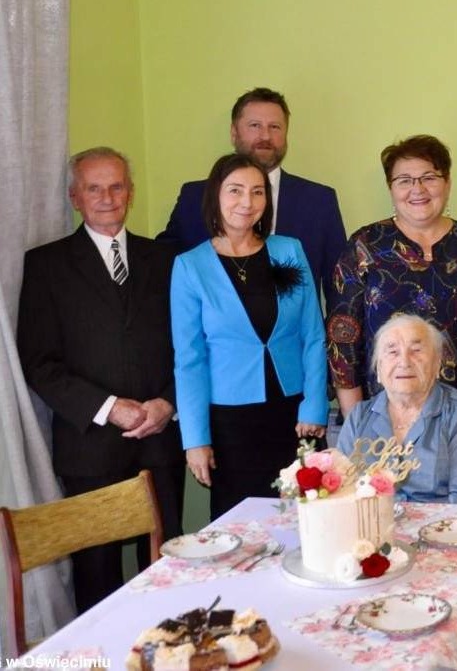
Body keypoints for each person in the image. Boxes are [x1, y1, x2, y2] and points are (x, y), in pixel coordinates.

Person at [17, 147, 184, 612]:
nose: (107, 197)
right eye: (94, 187)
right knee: (97, 581)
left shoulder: (166, 260)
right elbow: (39, 362)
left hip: (159, 440)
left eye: (116, 186)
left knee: (168, 568)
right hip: (89, 447)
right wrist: (110, 407)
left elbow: (189, 348)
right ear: (75, 196)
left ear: (130, 192)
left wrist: (167, 404)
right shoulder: (45, 265)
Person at [172, 153, 328, 521]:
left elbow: (313, 334)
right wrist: (195, 439)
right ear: (216, 196)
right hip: (230, 423)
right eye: (236, 190)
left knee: (306, 521)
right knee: (240, 529)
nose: (247, 202)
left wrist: (315, 404)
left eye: (258, 192)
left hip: (294, 415)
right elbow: (189, 359)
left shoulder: (288, 250)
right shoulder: (190, 266)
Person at [327, 135, 457, 410]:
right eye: (404, 180)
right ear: (390, 188)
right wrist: (356, 424)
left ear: (447, 182)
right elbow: (342, 341)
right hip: (382, 416)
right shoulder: (365, 246)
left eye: (429, 177)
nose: (418, 189)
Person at [158, 87, 346, 301]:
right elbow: (162, 265)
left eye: (274, 127)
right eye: (255, 125)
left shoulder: (320, 201)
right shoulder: (193, 197)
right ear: (233, 132)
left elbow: (339, 285)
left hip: (295, 332)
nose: (265, 136)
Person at [335, 314, 457, 504]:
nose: (404, 362)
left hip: (443, 530)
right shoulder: (359, 417)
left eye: (416, 350)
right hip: (371, 529)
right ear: (379, 369)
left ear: (437, 365)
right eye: (393, 352)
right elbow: (342, 492)